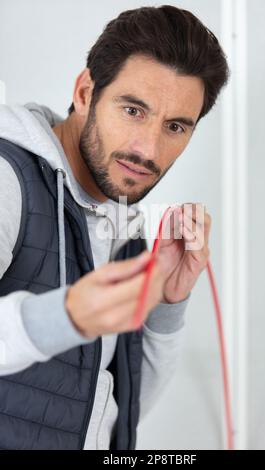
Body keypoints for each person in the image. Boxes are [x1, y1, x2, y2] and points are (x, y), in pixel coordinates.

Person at [0, 5, 228, 450]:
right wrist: (64, 316)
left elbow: (115, 407)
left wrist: (167, 300)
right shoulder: (9, 180)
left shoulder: (124, 226)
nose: (148, 150)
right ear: (86, 92)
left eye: (176, 126)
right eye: (133, 110)